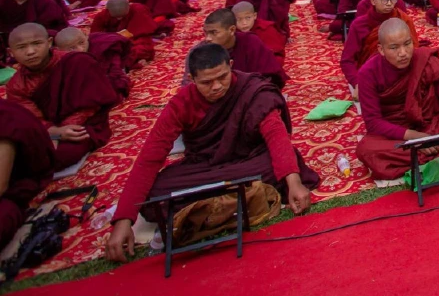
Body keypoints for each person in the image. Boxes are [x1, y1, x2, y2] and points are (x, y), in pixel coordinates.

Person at [105, 42, 317, 263]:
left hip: (249, 159)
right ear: (191, 78)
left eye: (222, 77)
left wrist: (293, 181)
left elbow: (275, 133)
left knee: (275, 164)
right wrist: (123, 220)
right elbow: (150, 158)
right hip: (207, 166)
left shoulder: (252, 90)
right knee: (154, 196)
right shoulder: (181, 103)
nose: (217, 86)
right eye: (207, 82)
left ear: (231, 66)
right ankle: (243, 195)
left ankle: (211, 202)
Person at [355, 18, 439, 181]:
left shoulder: (424, 59)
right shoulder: (368, 73)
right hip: (398, 132)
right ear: (381, 49)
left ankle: (430, 154)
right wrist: (415, 137)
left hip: (430, 121)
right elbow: (374, 122)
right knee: (367, 150)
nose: (403, 53)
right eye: (394, 48)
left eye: (407, 44)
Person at [6, 23, 119, 170]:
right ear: (11, 52)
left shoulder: (76, 61)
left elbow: (92, 102)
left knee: (57, 156)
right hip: (46, 131)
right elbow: (30, 118)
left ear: (49, 43)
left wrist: (66, 129)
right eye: (21, 48)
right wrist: (53, 132)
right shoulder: (16, 85)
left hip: (83, 123)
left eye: (37, 44)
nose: (30, 52)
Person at [0, 99, 56, 252]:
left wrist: (56, 130)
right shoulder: (17, 85)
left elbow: (1, 185)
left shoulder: (4, 119)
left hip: (7, 194)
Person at [342, 0, 417, 92]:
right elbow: (347, 60)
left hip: (401, 73)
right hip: (372, 75)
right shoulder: (359, 25)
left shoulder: (404, 20)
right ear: (373, 1)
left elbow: (414, 50)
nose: (389, 3)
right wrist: (357, 83)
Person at [202, 8, 286, 88]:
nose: (208, 38)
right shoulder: (201, 51)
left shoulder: (250, 42)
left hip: (249, 92)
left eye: (214, 32)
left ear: (231, 30)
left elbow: (269, 75)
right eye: (206, 33)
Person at [55, 25, 130, 97]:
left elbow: (116, 71)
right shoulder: (62, 60)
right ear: (60, 50)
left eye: (81, 43)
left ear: (86, 35)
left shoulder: (104, 46)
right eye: (71, 48)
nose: (80, 49)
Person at [90, 0, 157, 69]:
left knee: (144, 47)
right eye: (115, 17)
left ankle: (123, 63)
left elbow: (142, 31)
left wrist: (125, 37)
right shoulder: (102, 16)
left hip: (133, 39)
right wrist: (111, 38)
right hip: (112, 40)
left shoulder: (138, 9)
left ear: (128, 7)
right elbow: (94, 36)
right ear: (108, 10)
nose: (119, 19)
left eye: (122, 16)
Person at [1, 0, 67, 47]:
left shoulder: (43, 1)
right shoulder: (4, 1)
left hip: (37, 35)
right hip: (11, 36)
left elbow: (53, 23)